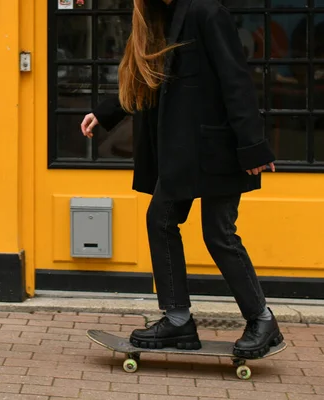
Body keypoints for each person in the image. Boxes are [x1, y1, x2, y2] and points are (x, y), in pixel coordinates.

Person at [80, 0, 283, 359]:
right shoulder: (157, 16)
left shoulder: (207, 11)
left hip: (217, 147)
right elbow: (146, 78)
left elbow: (235, 79)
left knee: (219, 234)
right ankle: (177, 320)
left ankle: (262, 322)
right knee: (160, 220)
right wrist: (104, 111)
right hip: (182, 153)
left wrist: (252, 145)